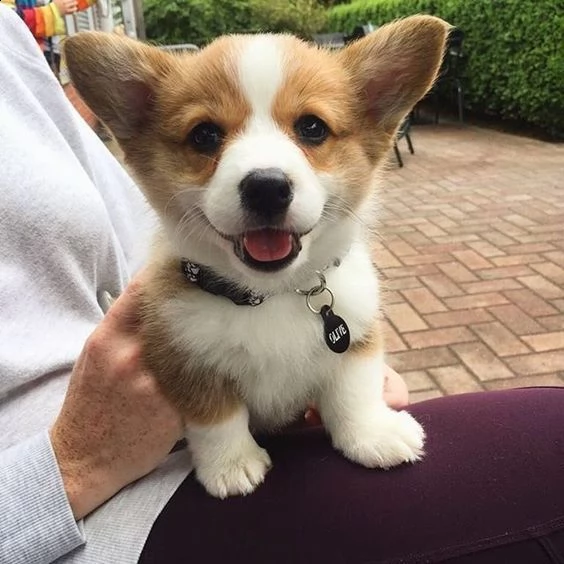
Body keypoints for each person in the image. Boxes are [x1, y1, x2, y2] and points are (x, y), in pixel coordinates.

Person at [0, 7, 562, 563]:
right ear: (142, 130)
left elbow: (355, 340)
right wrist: (220, 442)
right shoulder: (176, 298)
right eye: (206, 134)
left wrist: (354, 414)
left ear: (374, 119)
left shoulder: (344, 276)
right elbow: (189, 372)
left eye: (311, 128)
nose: (263, 173)